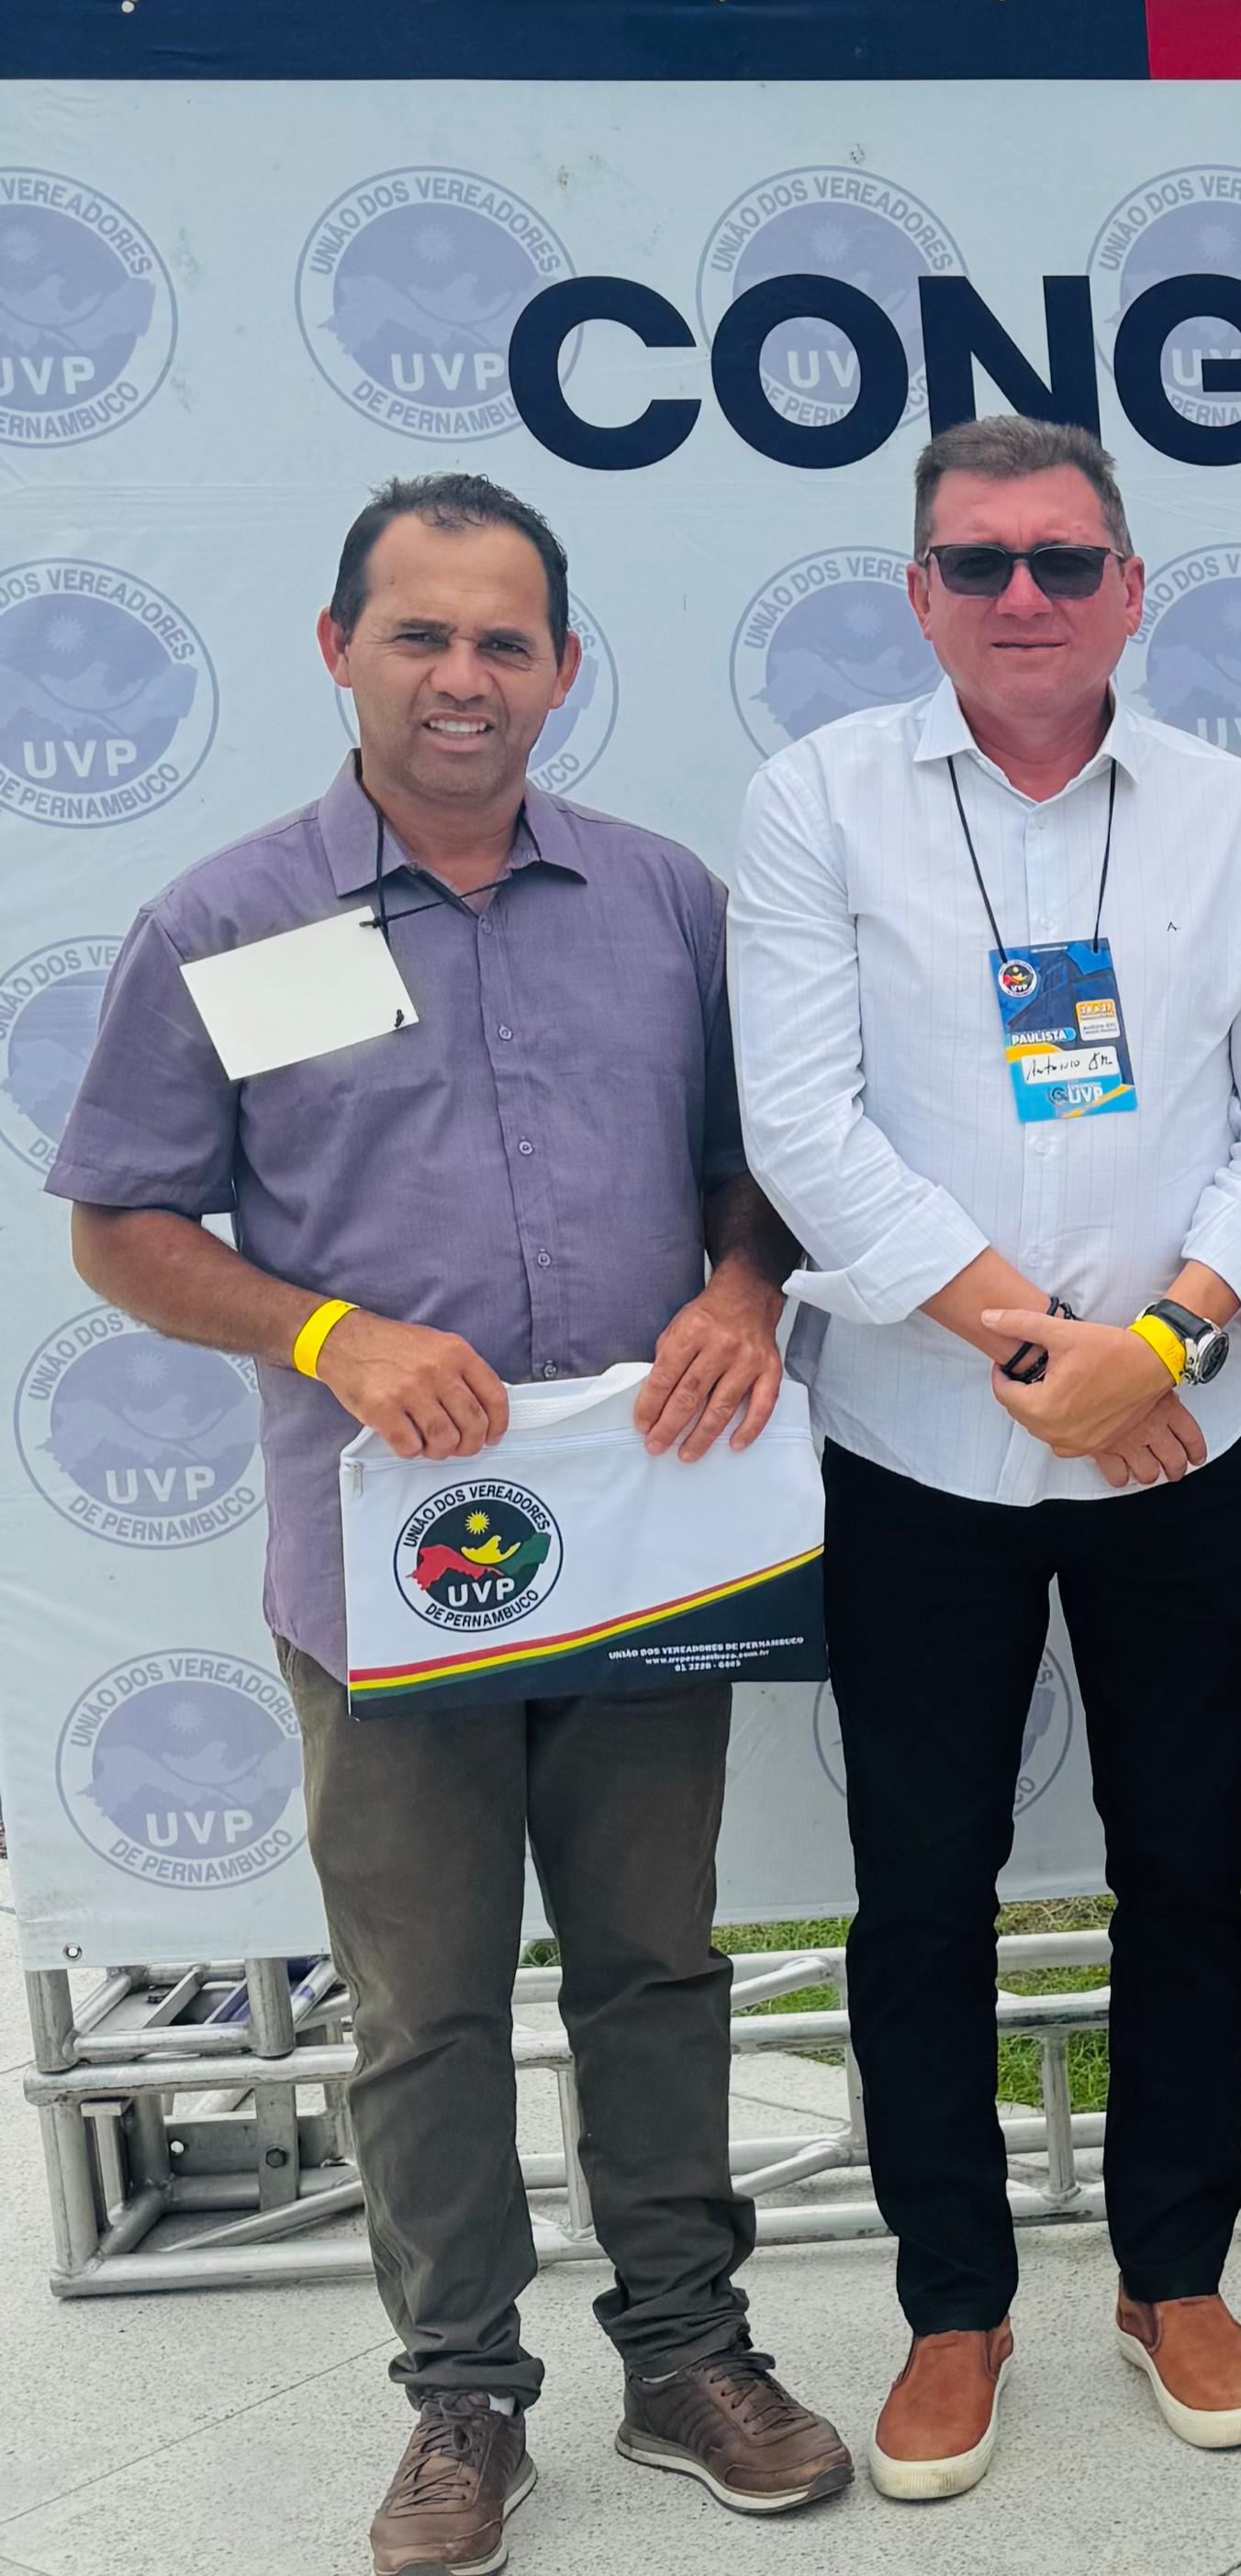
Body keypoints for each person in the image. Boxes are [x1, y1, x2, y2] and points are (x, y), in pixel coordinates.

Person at [50, 476, 852, 2574]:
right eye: (421, 634)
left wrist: (746, 1283)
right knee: (420, 2001)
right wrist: (323, 1326)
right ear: (339, 649)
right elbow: (123, 1221)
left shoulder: (667, 900)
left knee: (660, 1965)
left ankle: (686, 2347)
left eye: (507, 641)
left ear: (565, 670)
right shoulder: (227, 925)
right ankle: (463, 2399)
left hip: (642, 1550)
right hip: (380, 1574)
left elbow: (754, 1168)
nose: (465, 677)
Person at [728, 418, 1241, 2494]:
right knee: (921, 1893)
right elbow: (803, 1129)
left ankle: (1173, 2266)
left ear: (1131, 589)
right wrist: (1041, 1346)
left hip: (1189, 1431)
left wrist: (1158, 1340)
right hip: (921, 1446)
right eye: (979, 561)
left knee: (1186, 1870)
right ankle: (951, 2301)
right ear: (915, 593)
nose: (1023, 596)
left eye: (1066, 561)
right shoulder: (814, 804)